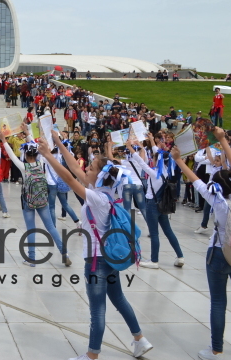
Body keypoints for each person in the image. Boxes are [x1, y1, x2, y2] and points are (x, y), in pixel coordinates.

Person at [40, 131, 153, 360]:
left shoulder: (97, 198)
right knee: (119, 298)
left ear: (100, 176)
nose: (86, 170)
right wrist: (59, 144)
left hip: (96, 260)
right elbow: (74, 169)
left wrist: (47, 156)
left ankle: (92, 355)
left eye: (90, 168)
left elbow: (71, 179)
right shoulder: (108, 192)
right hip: (109, 258)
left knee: (97, 310)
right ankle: (140, 339)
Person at [171, 128, 231, 360]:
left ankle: (216, 350)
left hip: (220, 251)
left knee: (219, 302)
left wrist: (179, 160)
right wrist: (222, 139)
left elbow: (195, 179)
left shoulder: (217, 199)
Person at [1, 129, 72, 267]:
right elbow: (35, 145)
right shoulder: (41, 163)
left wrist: (4, 140)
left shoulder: (24, 167)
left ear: (26, 155)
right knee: (50, 227)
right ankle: (64, 253)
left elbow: (11, 154)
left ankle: (32, 258)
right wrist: (28, 133)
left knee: (31, 229)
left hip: (28, 201)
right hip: (42, 200)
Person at [126, 134, 184, 269]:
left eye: (153, 157)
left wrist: (130, 148)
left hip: (153, 204)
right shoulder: (167, 171)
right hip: (163, 204)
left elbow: (140, 162)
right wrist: (151, 140)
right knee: (168, 231)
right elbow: (158, 153)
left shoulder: (154, 173)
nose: (151, 157)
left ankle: (154, 260)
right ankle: (180, 256)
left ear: (156, 160)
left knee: (154, 233)